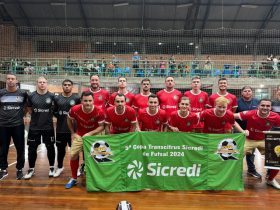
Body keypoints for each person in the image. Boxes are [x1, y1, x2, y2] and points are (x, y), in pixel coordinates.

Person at [234, 99, 280, 190]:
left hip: (264, 140)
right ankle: (233, 178)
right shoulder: (250, 113)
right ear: (258, 106)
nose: (265, 107)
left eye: (268, 106)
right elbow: (230, 117)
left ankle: (270, 179)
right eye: (263, 105)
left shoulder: (275, 116)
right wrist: (242, 131)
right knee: (234, 156)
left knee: (277, 158)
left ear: (271, 108)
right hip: (249, 139)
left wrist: (271, 132)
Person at [65, 91, 105, 189]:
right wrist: (72, 133)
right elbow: (69, 119)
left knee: (98, 157)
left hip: (95, 135)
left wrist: (90, 133)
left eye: (90, 101)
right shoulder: (74, 109)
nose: (88, 103)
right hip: (79, 135)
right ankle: (74, 178)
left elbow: (102, 127)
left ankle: (97, 178)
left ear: (93, 101)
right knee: (73, 155)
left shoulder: (99, 111)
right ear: (81, 101)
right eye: (85, 101)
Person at [24, 76, 56, 180]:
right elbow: (29, 109)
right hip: (34, 127)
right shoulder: (31, 95)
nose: (42, 84)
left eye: (44, 82)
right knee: (32, 148)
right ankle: (31, 169)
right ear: (37, 83)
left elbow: (55, 109)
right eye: (40, 82)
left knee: (50, 147)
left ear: (47, 83)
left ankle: (51, 168)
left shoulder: (52, 96)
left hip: (48, 127)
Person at [0, 73, 28, 180]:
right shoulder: (1, 93)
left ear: (16, 80)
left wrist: (24, 115)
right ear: (6, 81)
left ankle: (20, 169)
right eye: (8, 79)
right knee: (3, 148)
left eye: (12, 79)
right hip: (3, 125)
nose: (10, 81)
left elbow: (26, 106)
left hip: (18, 125)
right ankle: (3, 169)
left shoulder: (22, 93)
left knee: (20, 148)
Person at [53, 79, 80, 177]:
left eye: (69, 85)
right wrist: (61, 117)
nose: (67, 86)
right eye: (65, 85)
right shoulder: (57, 98)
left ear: (72, 86)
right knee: (60, 151)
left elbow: (79, 113)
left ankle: (76, 169)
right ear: (62, 86)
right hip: (60, 130)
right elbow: (54, 111)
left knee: (75, 152)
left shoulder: (77, 98)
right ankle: (60, 167)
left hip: (73, 131)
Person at [236, 86, 260, 178]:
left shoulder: (257, 102)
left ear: (252, 92)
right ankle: (236, 170)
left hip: (252, 131)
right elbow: (233, 116)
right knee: (237, 151)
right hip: (239, 131)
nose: (247, 92)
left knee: (250, 152)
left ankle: (251, 169)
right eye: (245, 91)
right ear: (242, 93)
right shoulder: (237, 102)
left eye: (249, 91)